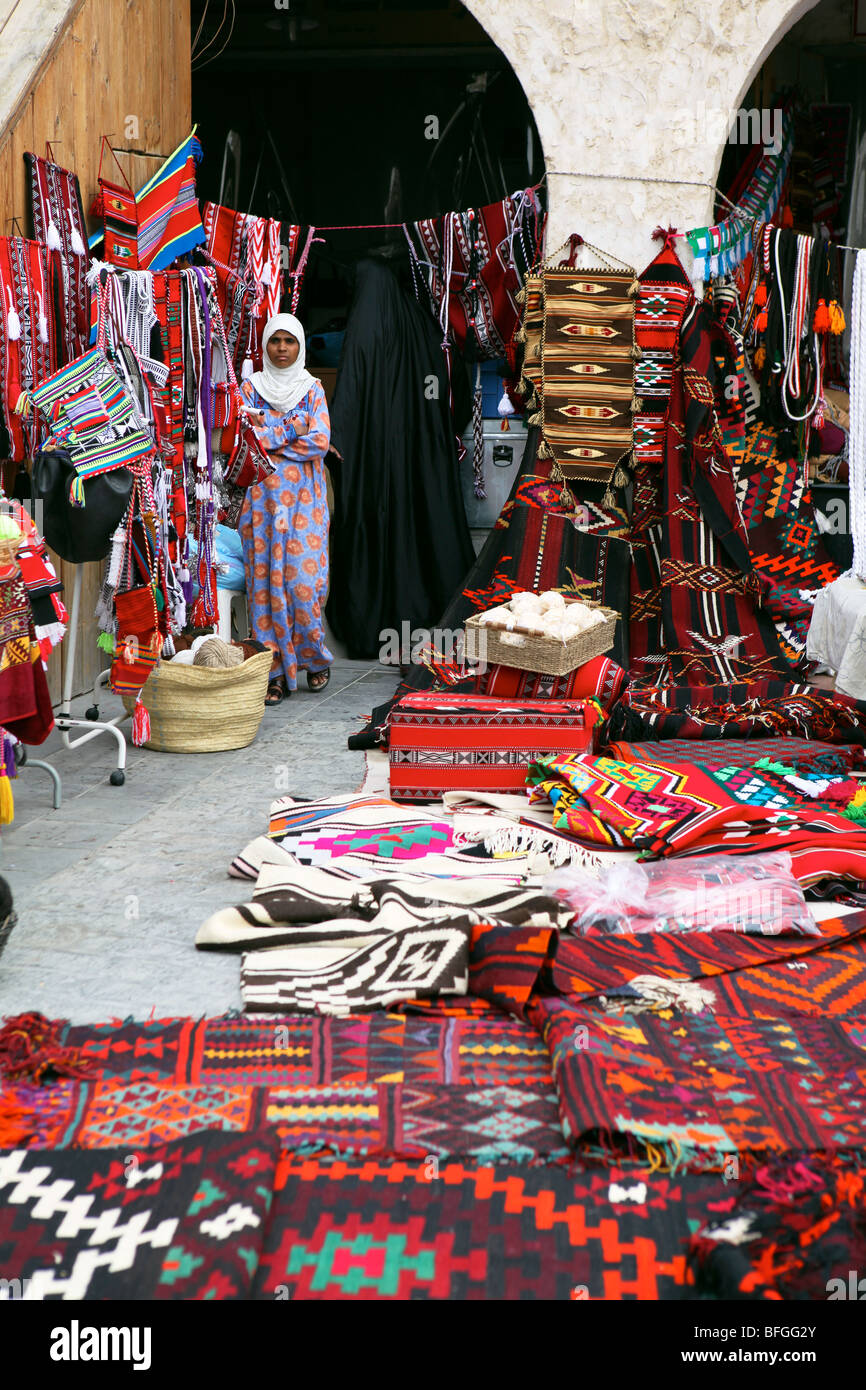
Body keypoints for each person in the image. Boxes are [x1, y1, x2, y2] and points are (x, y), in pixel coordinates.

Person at [239, 313, 333, 703]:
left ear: (300, 347)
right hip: (260, 505)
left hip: (305, 505)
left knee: (301, 585)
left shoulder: (311, 388)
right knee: (263, 590)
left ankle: (314, 658)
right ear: (265, 346)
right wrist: (293, 427)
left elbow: (320, 442)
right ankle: (273, 672)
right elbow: (243, 441)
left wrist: (270, 436)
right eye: (275, 341)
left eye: (289, 342)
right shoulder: (250, 388)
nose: (281, 349)